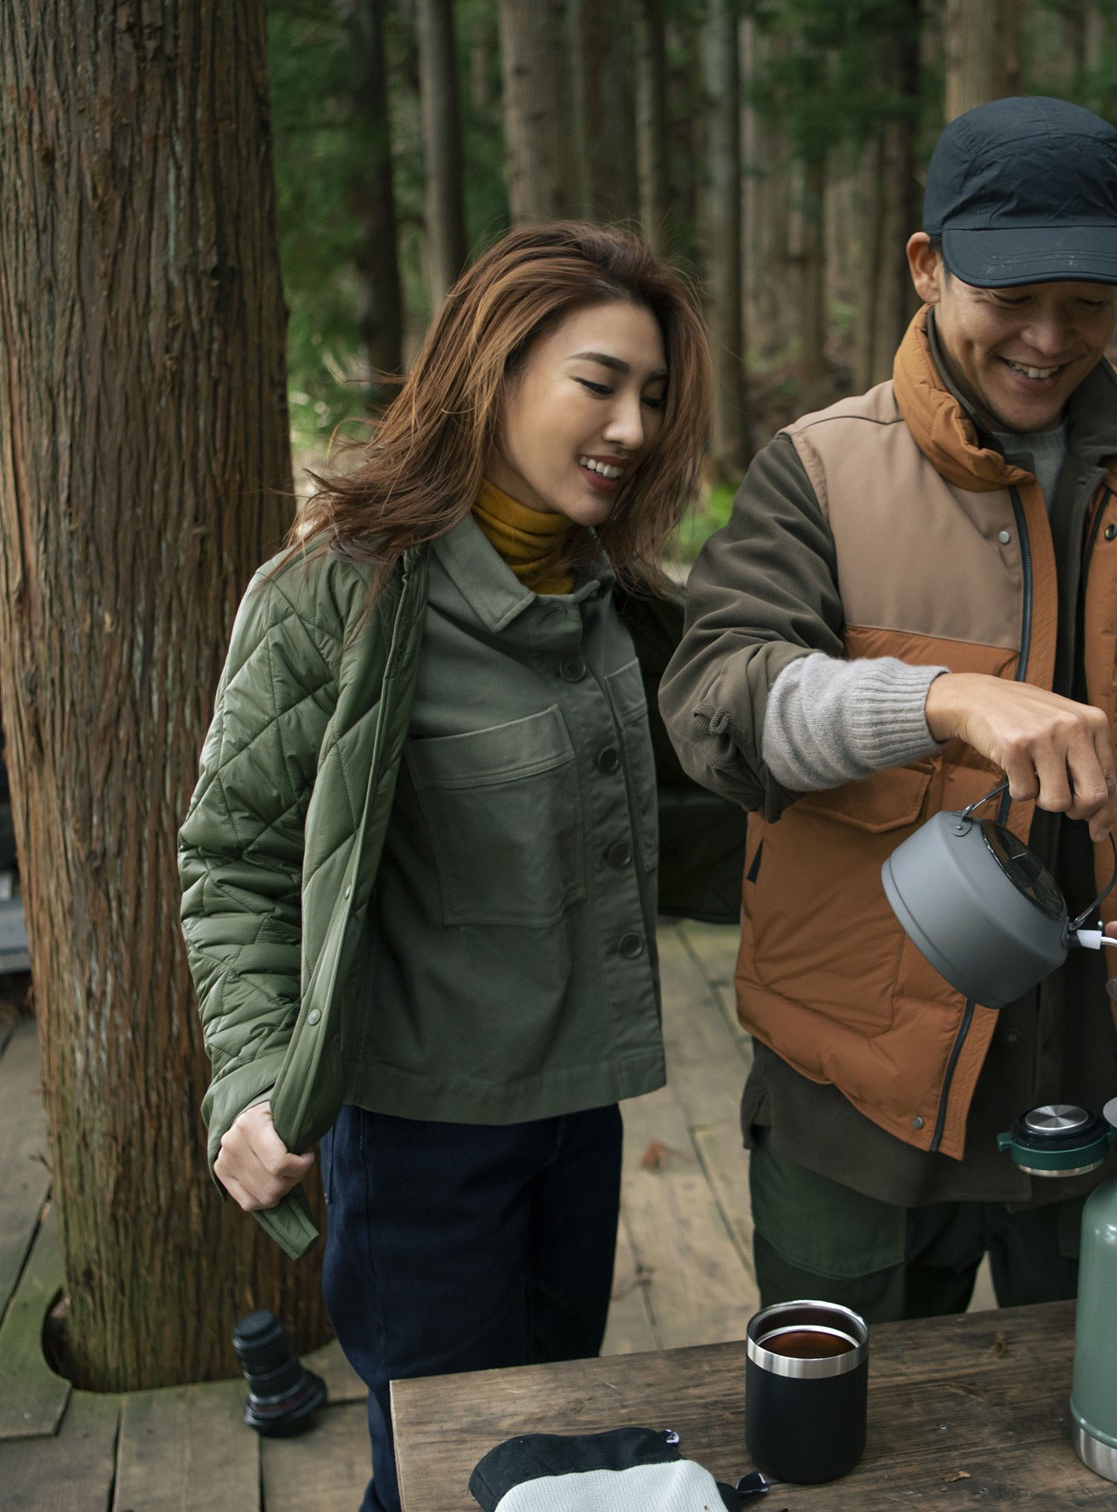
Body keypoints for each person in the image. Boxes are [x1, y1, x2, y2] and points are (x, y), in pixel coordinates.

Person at [660, 97, 1117, 1323]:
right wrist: (940, 701)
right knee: (849, 1455)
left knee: (1096, 1421)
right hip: (853, 1097)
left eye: (1088, 304)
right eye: (1013, 296)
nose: (1052, 338)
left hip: (1098, 1087)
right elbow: (715, 703)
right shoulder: (822, 470)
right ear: (928, 266)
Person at [177, 223, 711, 1511]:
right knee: (442, 1480)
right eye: (600, 382)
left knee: (541, 1470)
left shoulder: (619, 602)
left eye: (652, 396)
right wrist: (249, 1074)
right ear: (495, 370)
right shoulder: (338, 596)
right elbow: (234, 856)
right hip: (417, 1147)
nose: (633, 425)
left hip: (577, 1122)